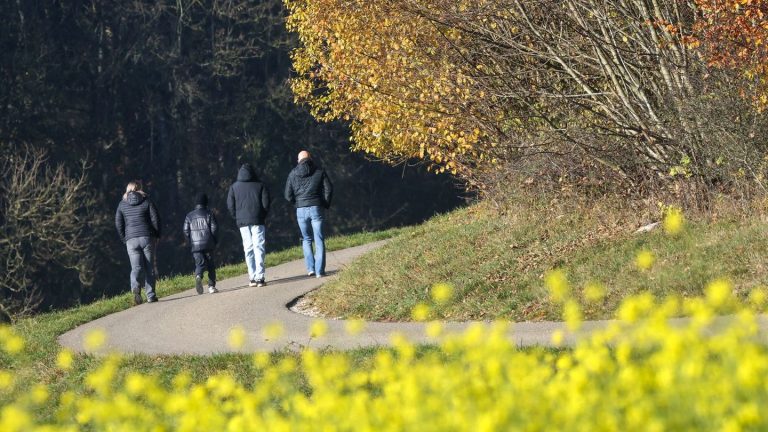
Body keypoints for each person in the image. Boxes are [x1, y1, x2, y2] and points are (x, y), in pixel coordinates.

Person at [284, 150, 333, 278]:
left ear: (298, 160)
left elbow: (288, 195)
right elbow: (329, 188)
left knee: (306, 239)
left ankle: (310, 268)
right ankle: (319, 271)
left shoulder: (292, 173)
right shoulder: (319, 171)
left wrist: (298, 203)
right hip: (316, 207)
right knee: (319, 238)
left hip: (301, 209)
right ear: (310, 158)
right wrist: (325, 203)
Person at [115, 180, 161, 305]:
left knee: (136, 267)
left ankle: (135, 286)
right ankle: (150, 295)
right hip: (146, 237)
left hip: (131, 239)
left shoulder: (122, 204)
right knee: (149, 268)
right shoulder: (146, 200)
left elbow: (118, 223)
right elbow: (155, 218)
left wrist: (124, 238)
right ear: (140, 188)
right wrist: (157, 234)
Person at [227, 163, 271, 287]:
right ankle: (260, 277)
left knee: (248, 248)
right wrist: (262, 215)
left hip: (242, 222)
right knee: (259, 247)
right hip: (258, 220)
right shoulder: (260, 185)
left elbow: (230, 205)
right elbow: (266, 203)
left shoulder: (234, 187)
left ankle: (251, 277)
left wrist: (237, 217)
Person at [183, 193, 219, 294]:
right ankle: (211, 287)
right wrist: (215, 240)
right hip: (208, 244)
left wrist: (190, 243)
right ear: (206, 202)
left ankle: (198, 276)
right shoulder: (209, 213)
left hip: (195, 245)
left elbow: (185, 231)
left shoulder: (189, 216)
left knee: (200, 264)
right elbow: (214, 229)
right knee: (211, 266)